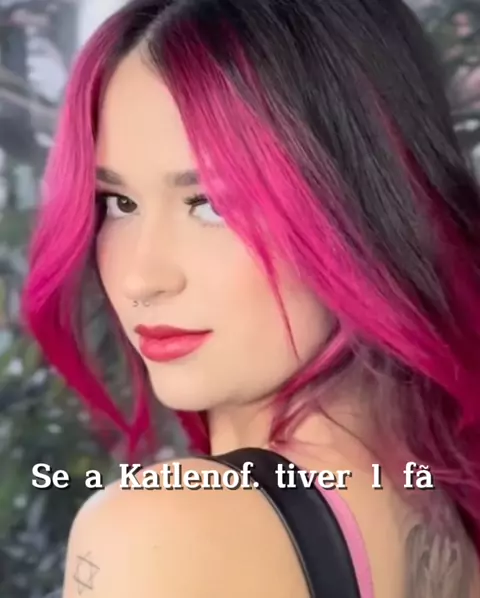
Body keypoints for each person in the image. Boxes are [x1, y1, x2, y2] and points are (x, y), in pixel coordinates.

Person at [22, 0, 480, 596]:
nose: (141, 278)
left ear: (365, 210)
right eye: (118, 203)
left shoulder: (159, 532)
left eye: (212, 204)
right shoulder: (440, 503)